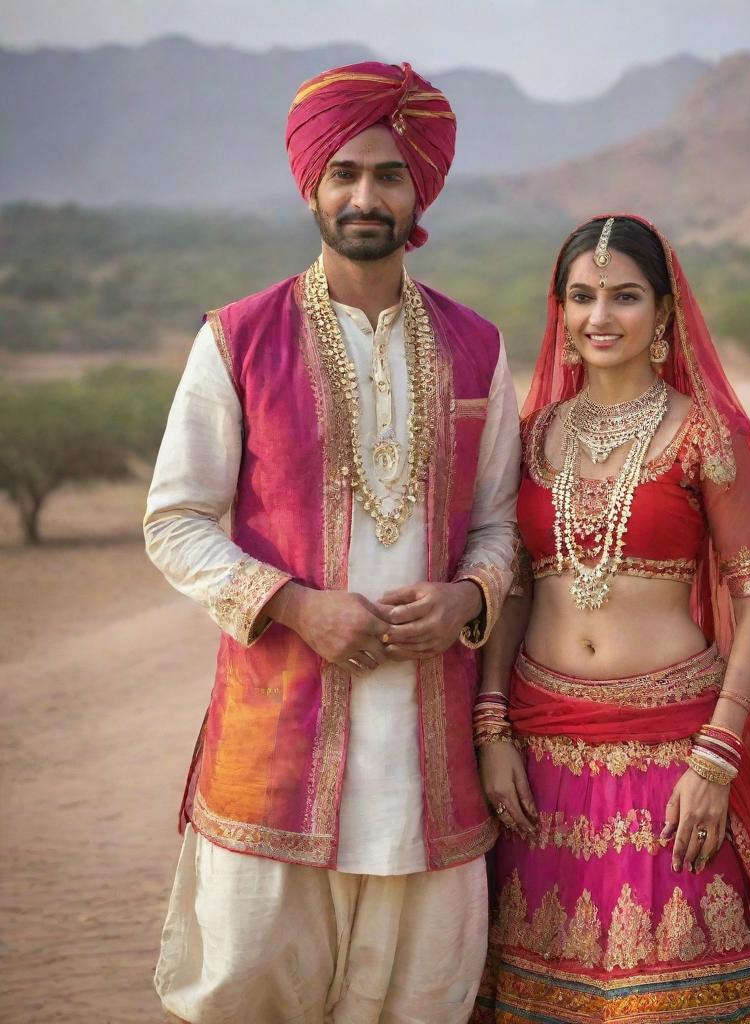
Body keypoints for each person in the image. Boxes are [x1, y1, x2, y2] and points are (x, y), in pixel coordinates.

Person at [144, 61, 521, 1024]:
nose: (365, 195)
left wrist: (468, 599)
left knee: (421, 995)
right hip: (277, 744)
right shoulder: (238, 339)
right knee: (249, 988)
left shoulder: (478, 346)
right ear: (312, 183)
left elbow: (498, 522)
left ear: (419, 190)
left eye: (389, 175)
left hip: (426, 757)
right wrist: (297, 606)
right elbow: (174, 521)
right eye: (345, 172)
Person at [471, 215, 750, 1023]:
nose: (601, 316)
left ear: (664, 313)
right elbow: (516, 585)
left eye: (625, 296)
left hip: (673, 753)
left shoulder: (709, 436)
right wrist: (492, 730)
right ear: (559, 311)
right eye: (582, 296)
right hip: (541, 748)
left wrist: (718, 756)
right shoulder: (533, 436)